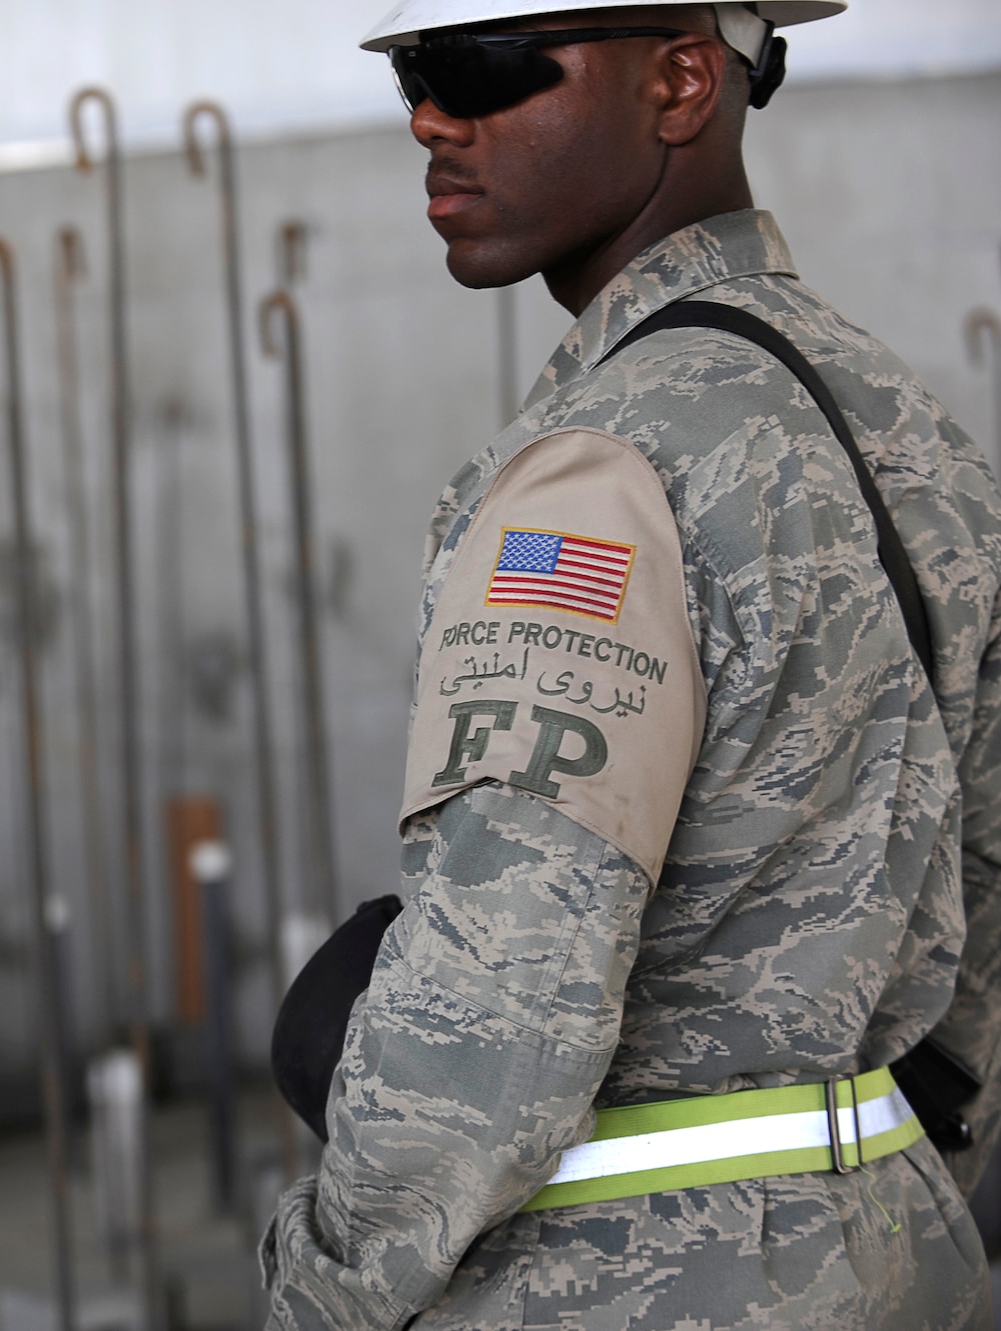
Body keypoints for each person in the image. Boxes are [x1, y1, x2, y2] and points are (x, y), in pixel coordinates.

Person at [262, 4, 1001, 1328]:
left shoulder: (596, 477)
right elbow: (986, 895)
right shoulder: (906, 429)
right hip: (901, 1251)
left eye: (483, 69)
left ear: (679, 80)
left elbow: (494, 1012)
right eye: (416, 77)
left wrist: (324, 1279)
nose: (434, 116)